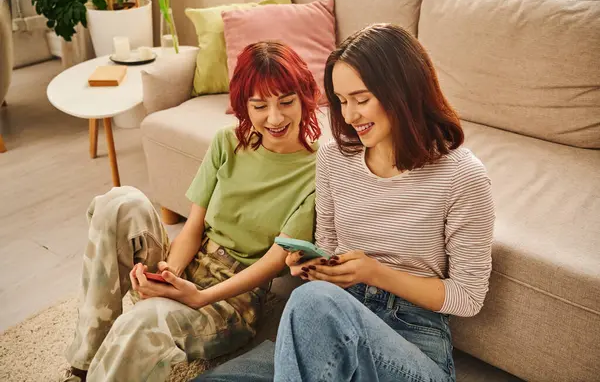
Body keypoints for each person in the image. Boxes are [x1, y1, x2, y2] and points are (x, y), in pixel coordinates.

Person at [196, 23, 495, 382]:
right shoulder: (334, 159)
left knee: (313, 302)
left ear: (402, 91)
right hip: (334, 318)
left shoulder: (463, 177)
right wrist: (313, 264)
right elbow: (329, 247)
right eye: (341, 101)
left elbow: (467, 296)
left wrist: (374, 272)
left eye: (362, 99)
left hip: (412, 339)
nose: (349, 116)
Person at [62, 41, 322, 382]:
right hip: (192, 266)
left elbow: (272, 263)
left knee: (141, 322)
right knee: (120, 201)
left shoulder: (317, 171)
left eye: (286, 102)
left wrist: (199, 297)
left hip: (231, 302)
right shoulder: (227, 142)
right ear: (245, 106)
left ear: (304, 96)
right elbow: (192, 229)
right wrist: (170, 273)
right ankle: (82, 365)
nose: (274, 118)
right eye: (260, 106)